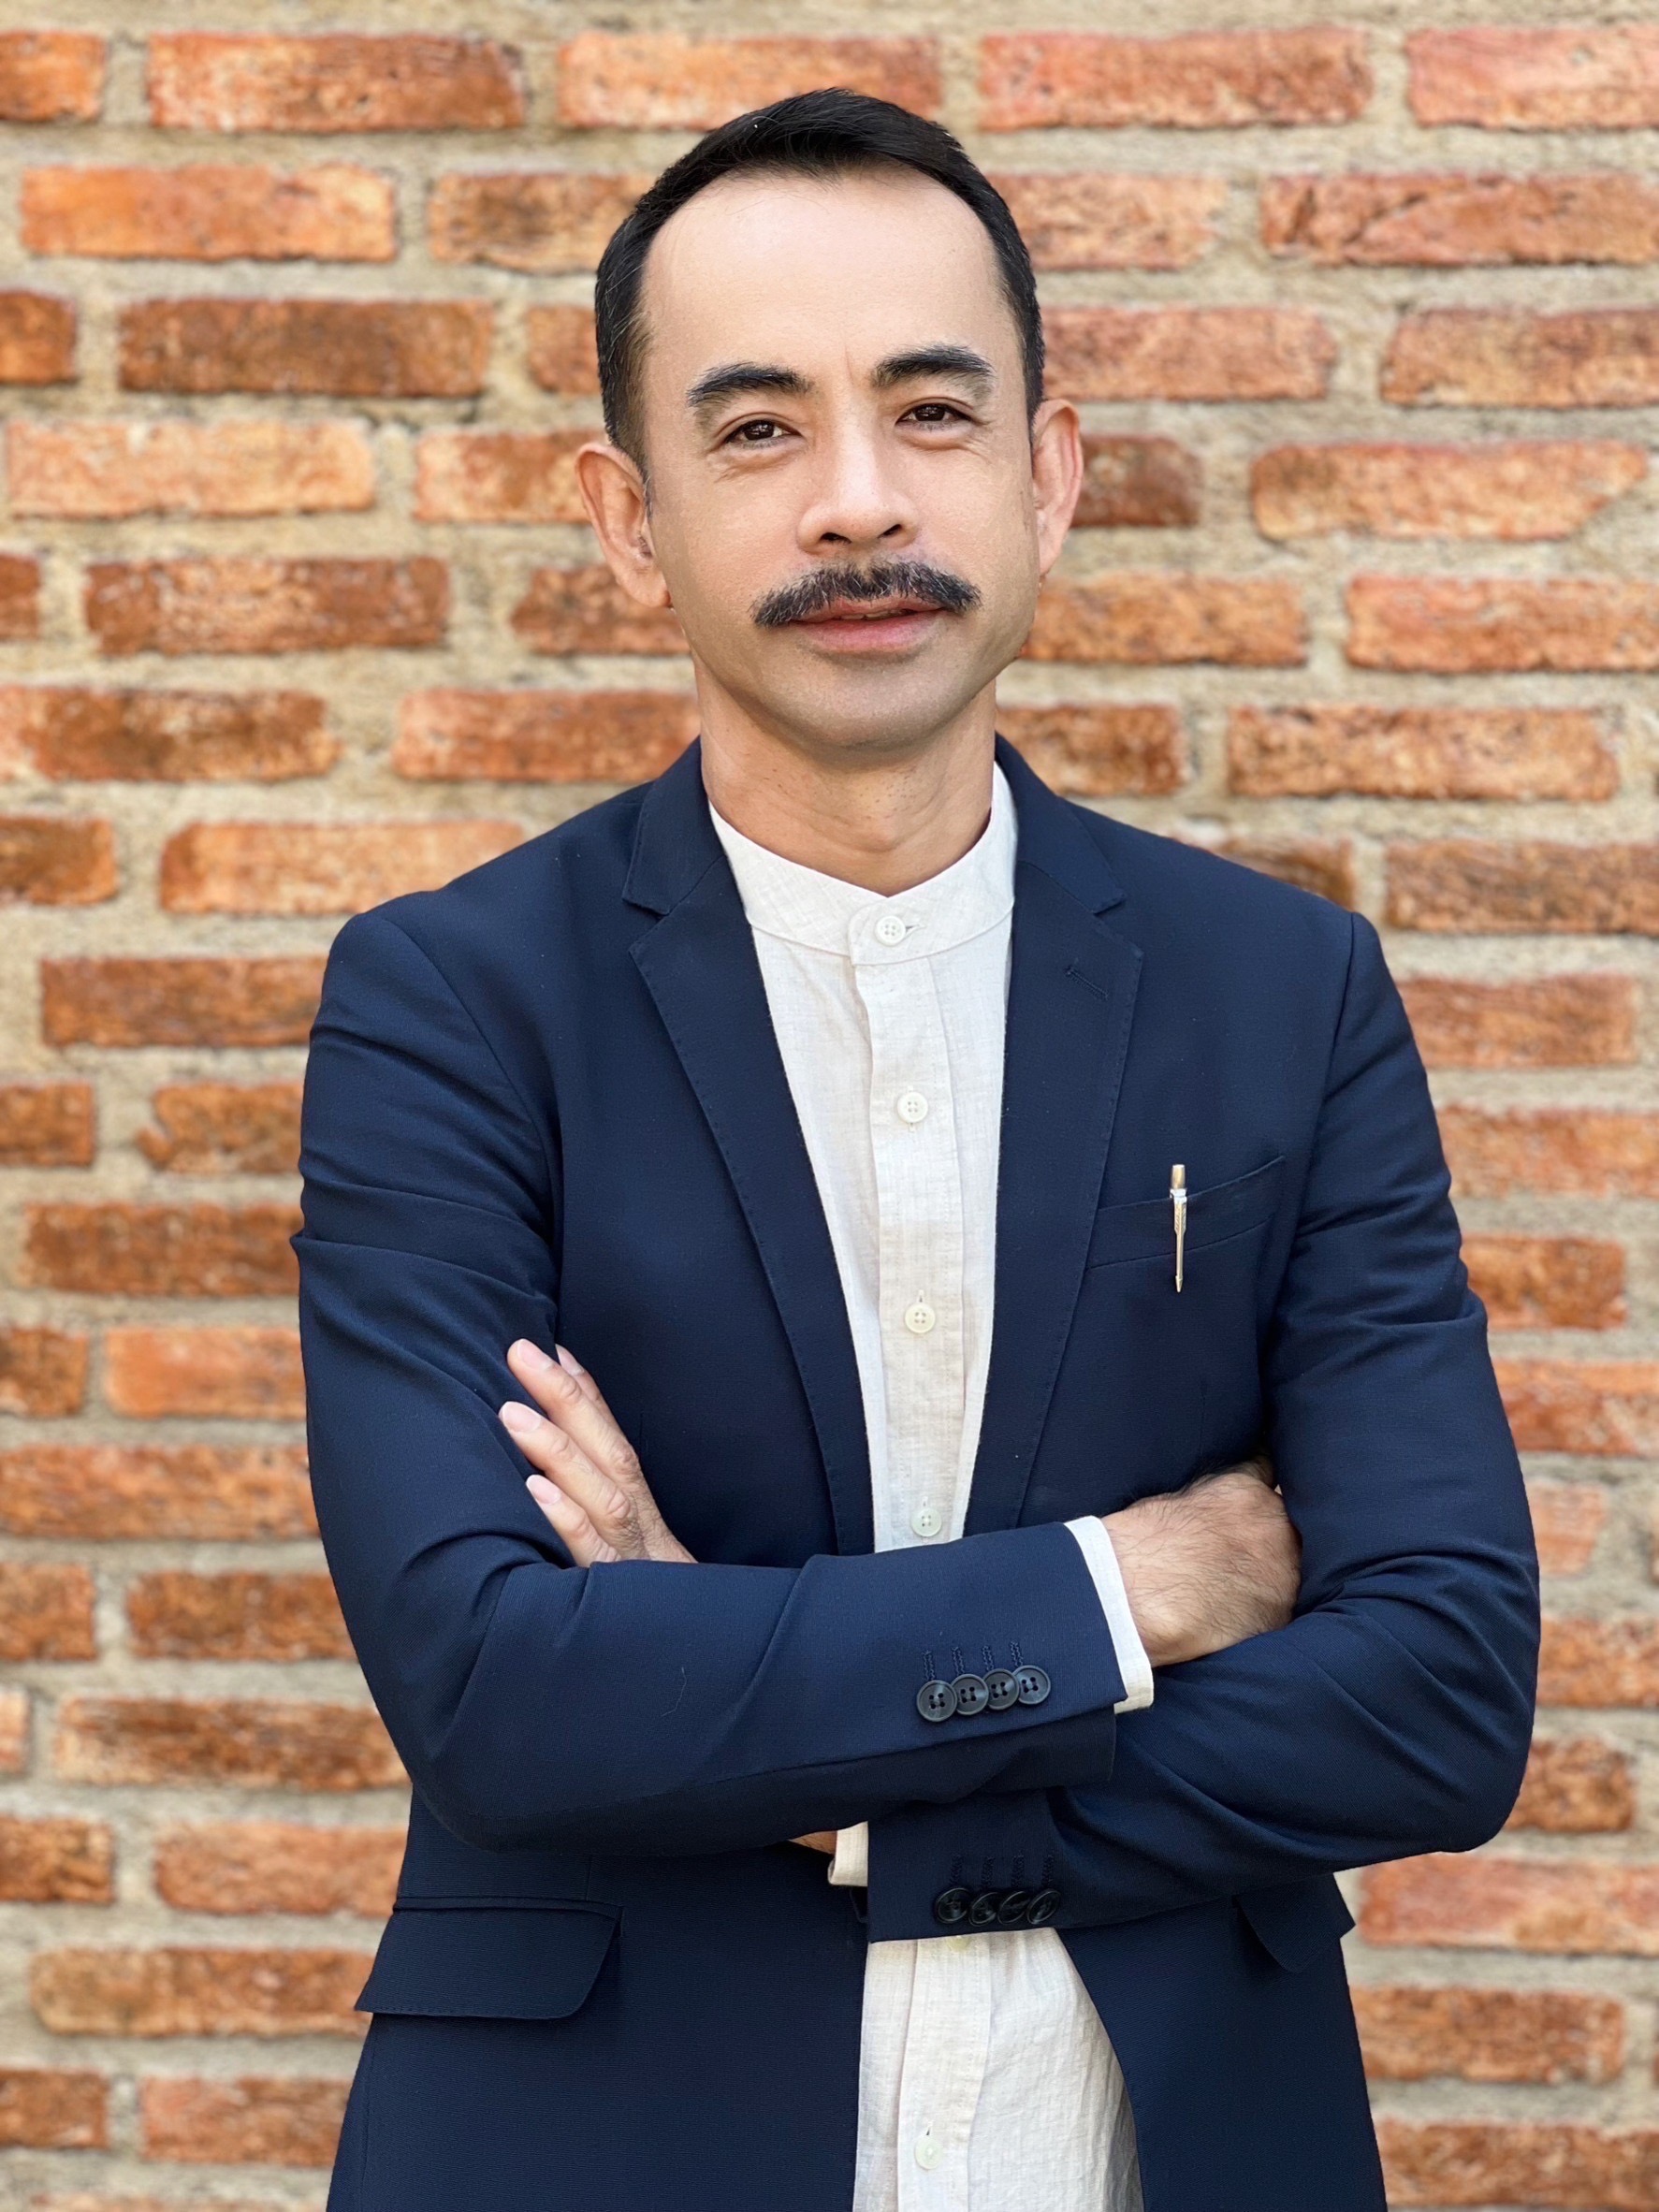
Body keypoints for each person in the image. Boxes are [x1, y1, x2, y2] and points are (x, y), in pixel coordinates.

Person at [296, 90, 1539, 2212]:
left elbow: (1434, 1696)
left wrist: (812, 1751)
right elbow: (499, 1692)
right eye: (758, 429)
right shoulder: (454, 1003)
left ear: (1045, 476)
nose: (859, 501)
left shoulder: (1283, 990)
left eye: (932, 412)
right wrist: (1138, 1585)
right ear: (628, 519)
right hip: (601, 2147)